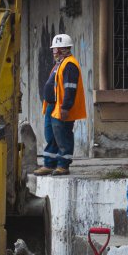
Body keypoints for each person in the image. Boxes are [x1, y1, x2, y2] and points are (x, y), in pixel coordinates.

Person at [34, 33, 86, 176]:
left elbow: (70, 88)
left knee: (63, 135)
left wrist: (65, 107)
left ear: (62, 49)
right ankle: (49, 164)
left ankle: (63, 165)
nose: (53, 51)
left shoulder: (70, 65)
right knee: (51, 135)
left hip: (61, 107)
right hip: (53, 106)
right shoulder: (60, 64)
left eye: (55, 49)